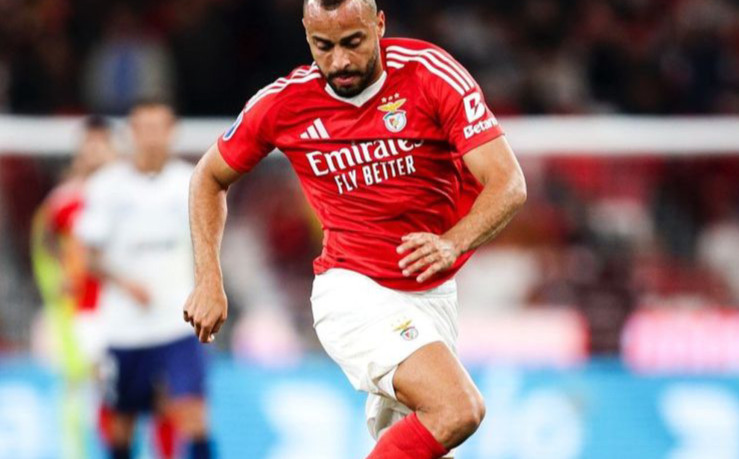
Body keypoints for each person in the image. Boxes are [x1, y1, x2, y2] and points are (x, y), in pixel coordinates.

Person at [184, 0, 527, 457]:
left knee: (427, 442)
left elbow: (508, 183)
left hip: (432, 296)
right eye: (322, 46)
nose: (339, 61)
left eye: (353, 42)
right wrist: (209, 279)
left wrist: (453, 242)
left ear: (379, 24)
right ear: (307, 34)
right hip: (353, 292)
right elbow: (208, 177)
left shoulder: (430, 74)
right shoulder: (284, 103)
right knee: (457, 409)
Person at [76, 100, 212, 459]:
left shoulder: (192, 182)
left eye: (159, 128)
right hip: (125, 328)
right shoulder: (106, 187)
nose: (152, 137)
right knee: (122, 424)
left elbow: (208, 246)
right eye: (144, 128)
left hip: (177, 324)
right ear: (131, 133)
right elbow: (86, 256)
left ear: (172, 133)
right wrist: (124, 283)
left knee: (194, 416)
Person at [31, 115, 117, 459]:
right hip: (78, 310)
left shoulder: (124, 194)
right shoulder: (63, 201)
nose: (94, 152)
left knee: (120, 391)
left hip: (119, 308)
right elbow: (42, 245)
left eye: (101, 144)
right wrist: (55, 283)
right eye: (89, 145)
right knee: (76, 387)